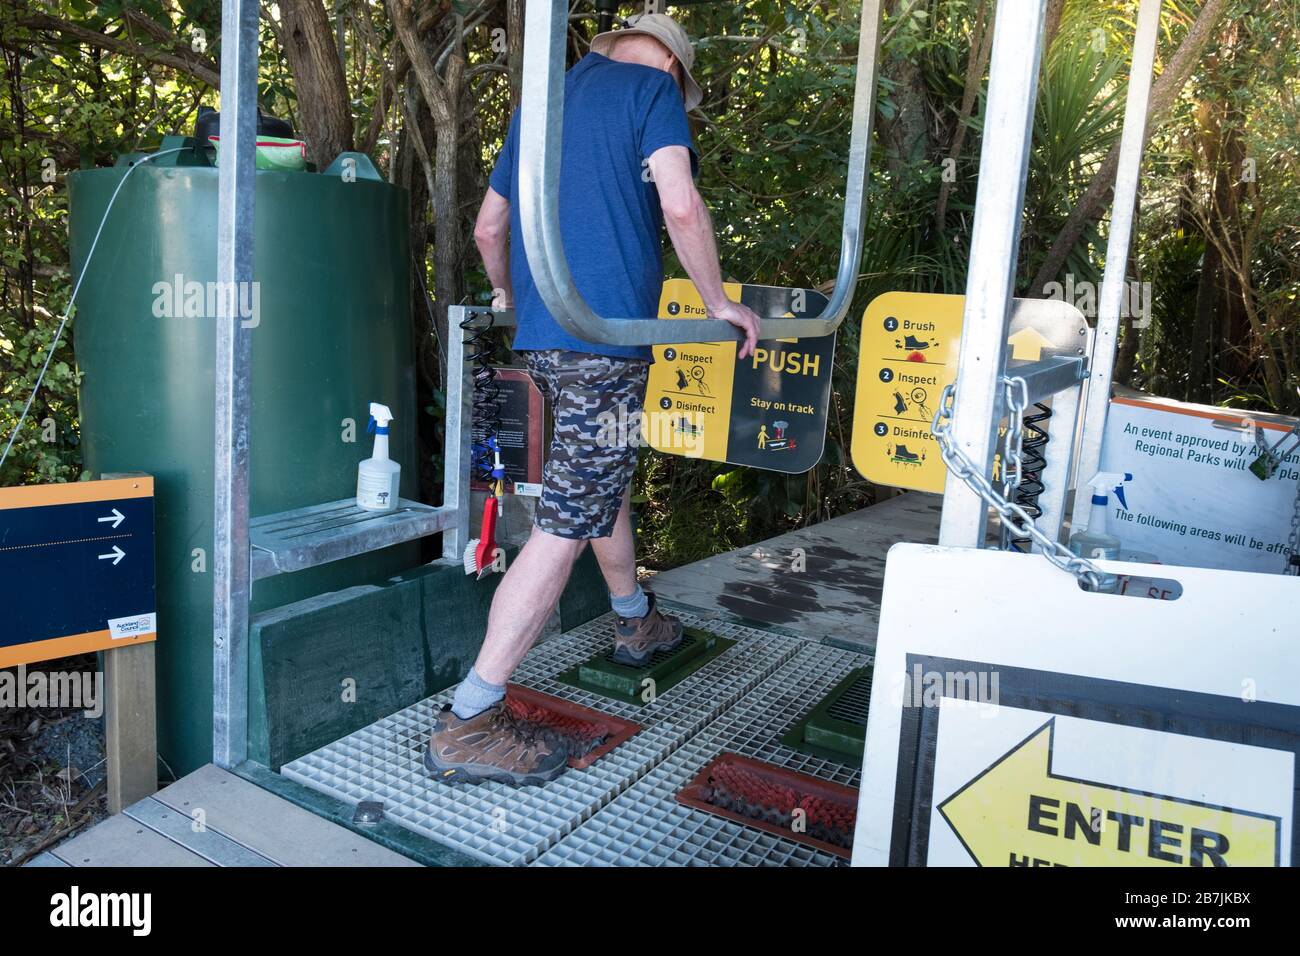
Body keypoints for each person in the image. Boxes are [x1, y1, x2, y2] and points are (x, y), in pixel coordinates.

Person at [425, 13, 763, 786]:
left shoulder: (542, 105)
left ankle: (634, 622)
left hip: (545, 341)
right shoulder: (651, 91)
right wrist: (719, 301)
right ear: (673, 69)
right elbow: (679, 204)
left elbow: (488, 227)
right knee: (566, 519)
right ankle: (472, 717)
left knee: (593, 478)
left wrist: (512, 294)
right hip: (602, 341)